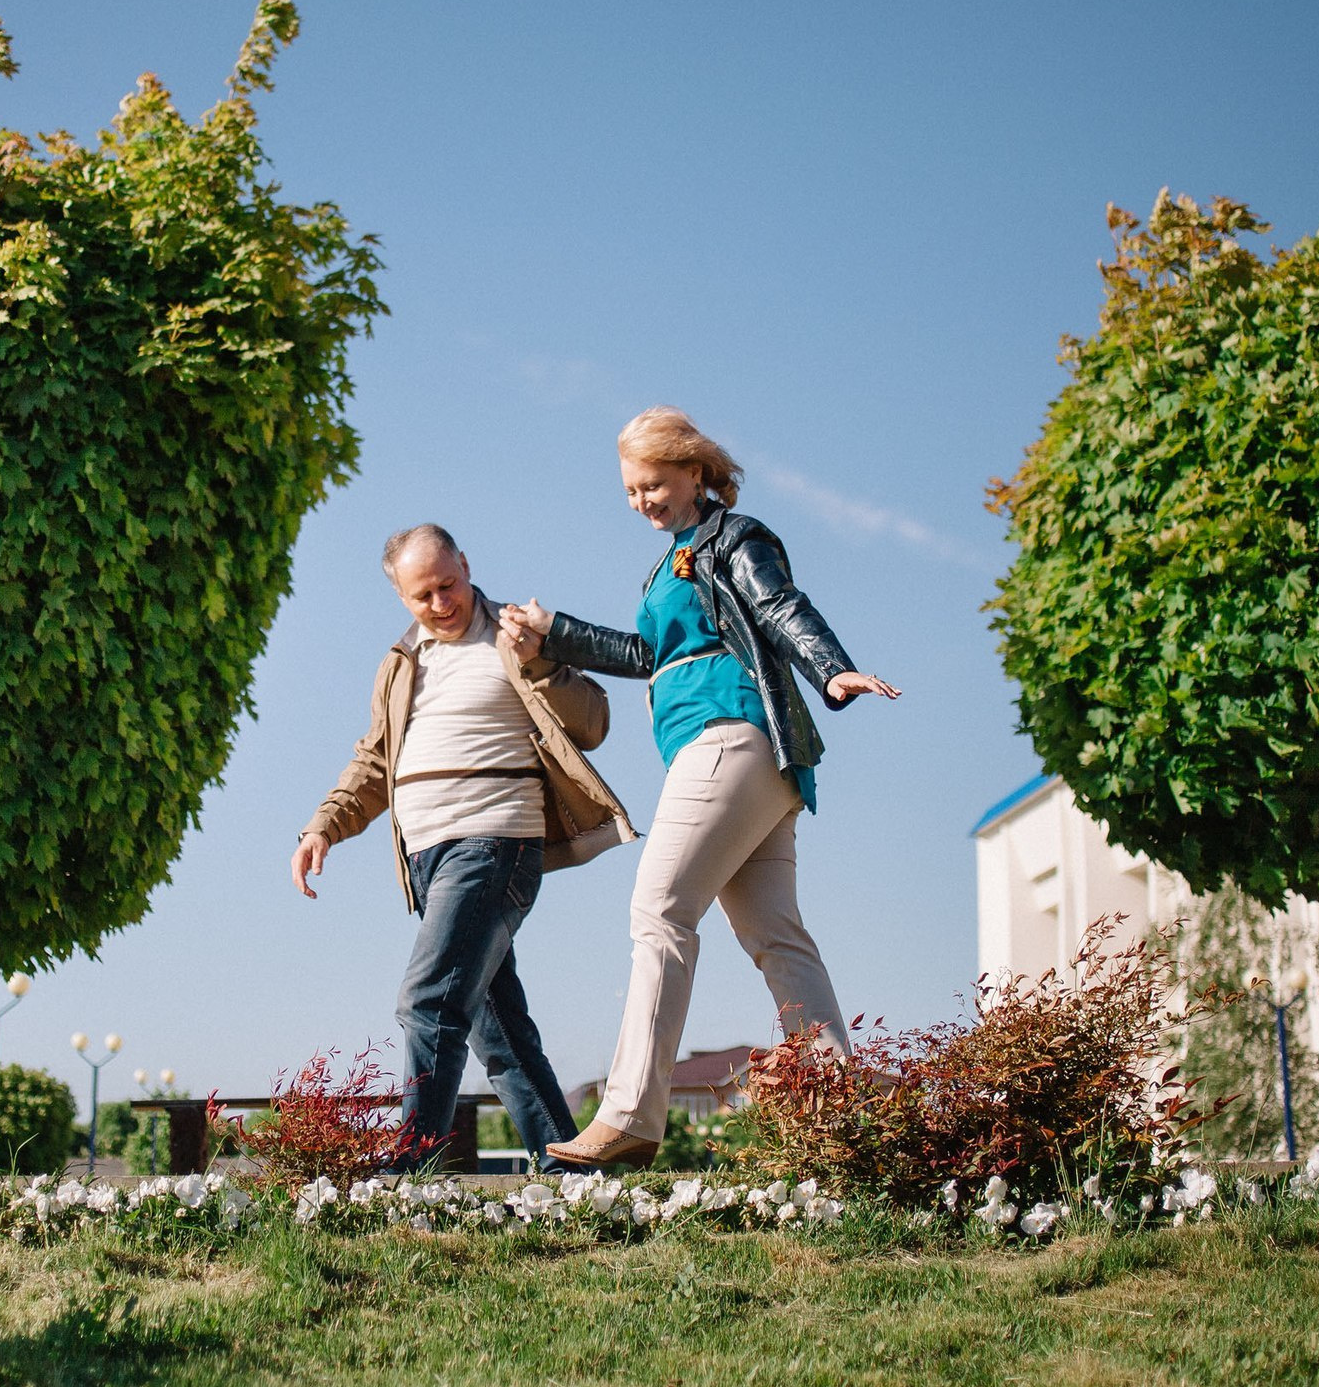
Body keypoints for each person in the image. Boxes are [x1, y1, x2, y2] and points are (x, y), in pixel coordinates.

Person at [502, 408, 898, 1170]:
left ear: (693, 469)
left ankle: (629, 1115)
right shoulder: (666, 565)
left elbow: (781, 606)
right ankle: (840, 1113)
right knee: (777, 935)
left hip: (733, 734)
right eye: (629, 490)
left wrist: (831, 668)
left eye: (652, 482)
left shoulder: (734, 538)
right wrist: (554, 633)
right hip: (734, 758)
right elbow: (647, 652)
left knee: (658, 909)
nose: (641, 500)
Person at [294, 523, 638, 1168]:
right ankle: (569, 1168)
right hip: (425, 858)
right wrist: (324, 825)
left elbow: (593, 722)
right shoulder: (401, 662)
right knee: (495, 1025)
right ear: (402, 597)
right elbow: (375, 760)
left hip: (495, 840)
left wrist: (538, 659)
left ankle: (410, 1165)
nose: (441, 603)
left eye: (449, 585)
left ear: (467, 566)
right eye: (423, 595)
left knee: (427, 1002)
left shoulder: (515, 636)